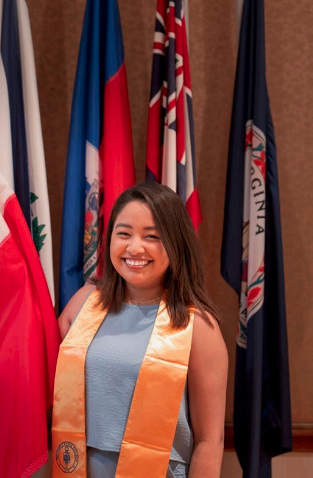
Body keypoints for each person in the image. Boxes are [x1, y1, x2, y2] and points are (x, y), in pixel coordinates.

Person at [51, 182, 227, 478]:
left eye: (152, 237)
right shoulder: (84, 302)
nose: (134, 248)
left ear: (175, 243)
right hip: (75, 467)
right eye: (123, 233)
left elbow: (210, 441)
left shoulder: (197, 326)